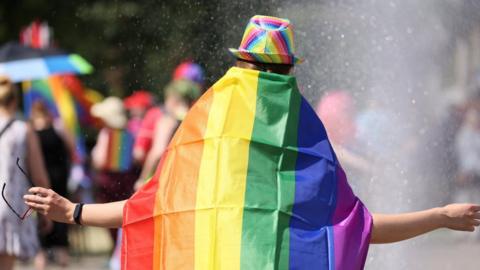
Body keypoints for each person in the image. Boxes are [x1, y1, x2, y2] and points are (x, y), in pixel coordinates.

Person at [23, 16, 480, 269]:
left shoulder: (207, 137)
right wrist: (438, 217)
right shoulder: (299, 144)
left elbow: (151, 210)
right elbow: (354, 228)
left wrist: (74, 212)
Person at [0, 76, 50, 270]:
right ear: (15, 100)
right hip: (10, 203)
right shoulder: (23, 129)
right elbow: (39, 175)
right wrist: (46, 210)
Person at [134, 79, 201, 189]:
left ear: (172, 99)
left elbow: (158, 152)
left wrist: (142, 179)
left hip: (162, 181)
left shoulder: (168, 120)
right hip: (187, 181)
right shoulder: (195, 119)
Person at [30, 101, 72, 269]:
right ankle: (63, 258)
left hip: (37, 180)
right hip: (59, 179)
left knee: (39, 218)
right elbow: (72, 149)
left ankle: (41, 259)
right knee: (62, 214)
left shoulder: (29, 131)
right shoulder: (58, 127)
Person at [90, 97, 136, 243]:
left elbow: (100, 160)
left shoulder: (106, 134)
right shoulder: (128, 134)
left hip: (107, 182)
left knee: (109, 219)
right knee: (124, 218)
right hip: (126, 181)